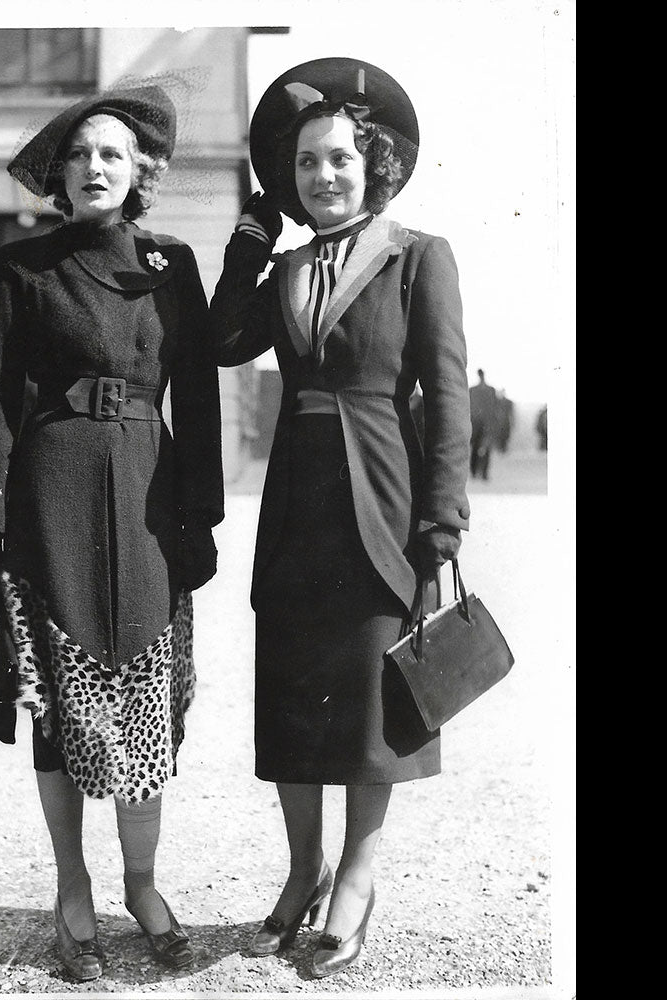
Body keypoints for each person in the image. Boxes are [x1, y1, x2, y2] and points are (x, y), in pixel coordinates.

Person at [208, 58, 472, 979]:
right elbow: (222, 341)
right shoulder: (281, 268)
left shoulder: (417, 256)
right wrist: (247, 241)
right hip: (296, 506)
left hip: (382, 502)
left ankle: (356, 876)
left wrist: (441, 525)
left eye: (340, 160)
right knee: (290, 691)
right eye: (307, 164)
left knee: (368, 700)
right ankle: (302, 868)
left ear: (375, 165)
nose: (324, 176)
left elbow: (446, 397)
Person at [0, 84, 224, 982]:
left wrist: (204, 513)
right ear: (60, 175)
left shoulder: (171, 264)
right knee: (60, 703)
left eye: (113, 153)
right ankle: (73, 891)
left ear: (141, 170)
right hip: (51, 496)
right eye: (80, 154)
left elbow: (199, 395)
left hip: (150, 495)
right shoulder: (22, 266)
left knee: (145, 699)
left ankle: (141, 886)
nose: (96, 166)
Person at [469, 368, 498, 479]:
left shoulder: (487, 390)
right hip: (478, 423)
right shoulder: (477, 390)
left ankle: (481, 472)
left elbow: (494, 408)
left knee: (484, 448)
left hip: (484, 423)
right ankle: (476, 472)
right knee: (477, 447)